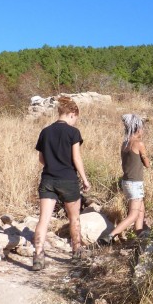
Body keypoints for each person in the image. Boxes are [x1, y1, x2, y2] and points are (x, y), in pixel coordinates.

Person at [33, 96, 91, 271]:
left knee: (43, 220)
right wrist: (85, 179)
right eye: (76, 118)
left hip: (48, 179)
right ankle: (76, 253)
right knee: (74, 218)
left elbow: (41, 158)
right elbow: (76, 158)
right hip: (68, 180)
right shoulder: (73, 133)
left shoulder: (45, 131)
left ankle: (37, 256)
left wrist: (53, 165)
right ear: (72, 114)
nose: (75, 122)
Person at [98, 114, 150, 246]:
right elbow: (147, 163)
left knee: (140, 210)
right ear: (137, 129)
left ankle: (139, 236)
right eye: (142, 128)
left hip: (126, 182)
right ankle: (109, 236)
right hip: (135, 183)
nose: (143, 131)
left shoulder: (124, 143)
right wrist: (147, 160)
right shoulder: (138, 144)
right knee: (133, 214)